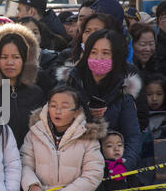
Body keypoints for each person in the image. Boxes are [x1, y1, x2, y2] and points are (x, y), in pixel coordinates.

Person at [20, 85, 106, 191]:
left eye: (65, 107)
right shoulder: (34, 133)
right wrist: (32, 186)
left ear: (76, 111)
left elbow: (93, 174)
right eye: (53, 105)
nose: (57, 111)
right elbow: (24, 163)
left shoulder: (88, 137)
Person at [57, 29, 142, 171]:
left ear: (116, 57)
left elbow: (132, 136)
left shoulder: (124, 90)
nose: (99, 58)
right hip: (73, 167)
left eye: (106, 53)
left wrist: (124, 165)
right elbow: (55, 124)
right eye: (94, 52)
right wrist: (85, 114)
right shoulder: (70, 83)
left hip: (112, 167)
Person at [0, 22, 45, 148]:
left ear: (25, 60)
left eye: (16, 57)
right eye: (4, 57)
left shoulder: (36, 93)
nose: (9, 62)